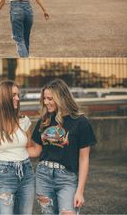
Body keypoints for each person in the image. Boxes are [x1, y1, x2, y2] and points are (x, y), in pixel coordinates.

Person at [27, 79, 97, 215]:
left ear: (61, 98)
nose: (46, 102)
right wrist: (10, 149)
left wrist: (80, 191)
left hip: (67, 179)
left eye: (50, 98)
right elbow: (36, 151)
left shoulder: (80, 122)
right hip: (43, 176)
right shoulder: (44, 120)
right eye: (44, 99)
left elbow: (84, 159)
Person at [0, 80, 35, 214]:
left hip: (27, 173)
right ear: (3, 98)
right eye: (14, 95)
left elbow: (30, 148)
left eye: (18, 95)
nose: (17, 98)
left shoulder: (24, 121)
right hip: (4, 176)